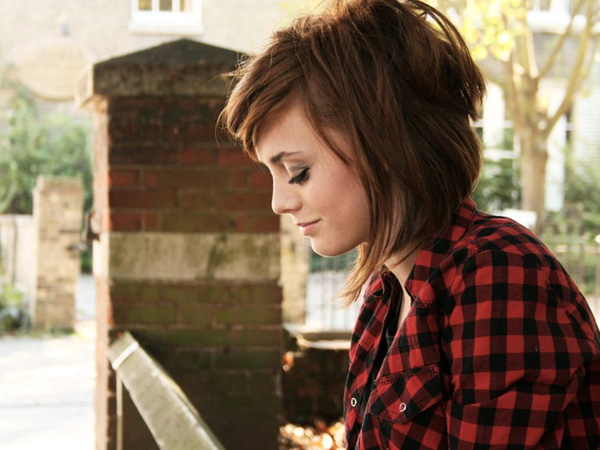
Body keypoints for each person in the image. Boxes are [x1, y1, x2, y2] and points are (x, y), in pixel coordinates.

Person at [219, 0, 600, 447]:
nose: (279, 202)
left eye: (298, 171)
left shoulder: (497, 272)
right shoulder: (384, 295)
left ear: (385, 144)